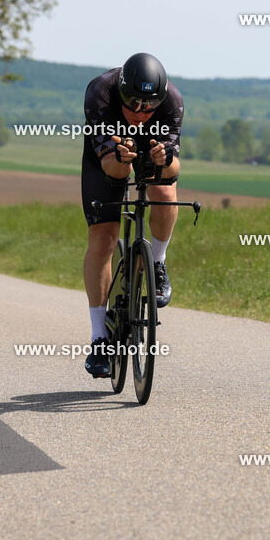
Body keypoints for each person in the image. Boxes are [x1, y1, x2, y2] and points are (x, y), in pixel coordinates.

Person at [80, 53, 183, 377]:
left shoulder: (171, 102)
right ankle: (100, 338)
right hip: (110, 156)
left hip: (149, 150)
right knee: (104, 237)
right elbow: (112, 169)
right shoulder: (101, 94)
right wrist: (122, 156)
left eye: (148, 107)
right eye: (133, 106)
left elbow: (175, 168)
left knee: (165, 191)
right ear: (122, 95)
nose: (141, 113)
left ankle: (157, 262)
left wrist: (165, 158)